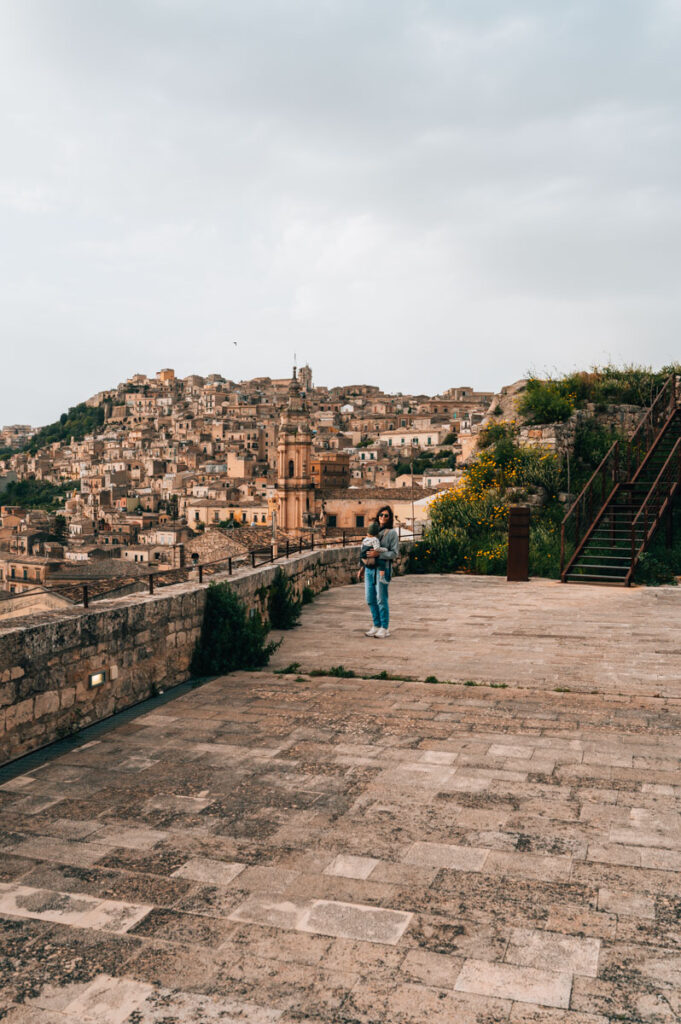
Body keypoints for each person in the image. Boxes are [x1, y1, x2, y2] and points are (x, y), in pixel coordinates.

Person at [361, 505, 399, 638]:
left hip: (383, 570)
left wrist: (379, 555)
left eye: (386, 515)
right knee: (370, 598)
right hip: (369, 570)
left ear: (389, 518)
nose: (383, 517)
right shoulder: (374, 532)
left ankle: (384, 627)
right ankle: (376, 625)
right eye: (381, 515)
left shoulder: (392, 533)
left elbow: (394, 553)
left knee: (381, 599)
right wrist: (362, 567)